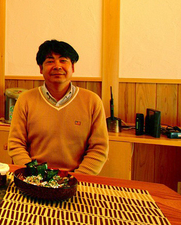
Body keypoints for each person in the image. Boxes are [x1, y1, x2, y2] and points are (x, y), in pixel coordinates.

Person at [8, 40, 108, 175]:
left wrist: (77, 178)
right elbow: (16, 144)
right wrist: (34, 175)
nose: (57, 66)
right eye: (50, 61)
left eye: (63, 60)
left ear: (72, 67)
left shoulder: (92, 101)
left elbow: (99, 148)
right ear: (40, 68)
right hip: (34, 177)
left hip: (76, 179)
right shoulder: (25, 99)